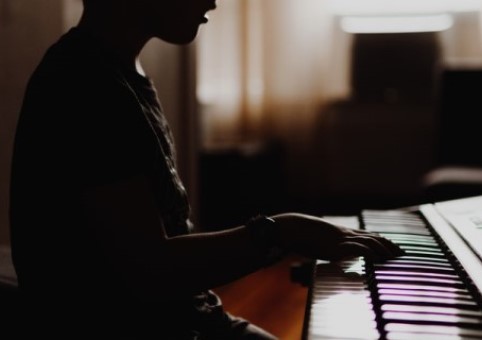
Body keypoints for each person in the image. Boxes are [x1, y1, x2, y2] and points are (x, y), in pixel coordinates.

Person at [9, 0, 404, 338]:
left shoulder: (113, 71)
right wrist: (283, 231)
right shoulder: (83, 85)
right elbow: (149, 270)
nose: (215, 1)